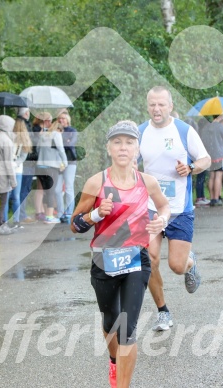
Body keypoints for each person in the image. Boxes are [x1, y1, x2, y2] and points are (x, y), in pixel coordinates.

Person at [70, 120, 170, 388]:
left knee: (127, 329)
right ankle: (114, 362)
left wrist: (162, 221)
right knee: (110, 320)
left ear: (137, 148)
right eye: (117, 142)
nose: (123, 147)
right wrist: (95, 214)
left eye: (129, 143)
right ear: (109, 148)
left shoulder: (147, 182)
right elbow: (75, 224)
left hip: (137, 259)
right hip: (103, 261)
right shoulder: (96, 182)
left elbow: (164, 207)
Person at [138, 86, 211, 331]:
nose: (156, 109)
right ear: (147, 106)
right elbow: (126, 163)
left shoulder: (183, 130)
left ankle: (190, 263)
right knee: (149, 258)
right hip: (151, 207)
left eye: (161, 104)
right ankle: (163, 312)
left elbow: (205, 159)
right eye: (152, 105)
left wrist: (191, 168)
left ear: (170, 106)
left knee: (176, 266)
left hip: (179, 208)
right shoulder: (140, 132)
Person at [0, 115, 17, 236]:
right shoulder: (6, 141)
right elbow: (8, 163)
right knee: (3, 200)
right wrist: (13, 180)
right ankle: (0, 224)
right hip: (2, 173)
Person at [36, 118, 68, 224]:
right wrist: (65, 162)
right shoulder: (56, 135)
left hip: (40, 166)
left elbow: (37, 149)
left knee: (45, 191)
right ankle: (49, 217)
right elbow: (61, 149)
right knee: (51, 191)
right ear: (59, 129)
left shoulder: (43, 135)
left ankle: (46, 214)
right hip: (51, 167)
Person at [199, 115, 223, 206]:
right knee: (218, 176)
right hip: (219, 155)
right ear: (219, 116)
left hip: (209, 155)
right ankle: (216, 198)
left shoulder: (206, 127)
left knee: (211, 176)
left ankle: (211, 197)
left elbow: (203, 140)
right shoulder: (220, 126)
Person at [9, 115, 32, 228]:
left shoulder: (9, 136)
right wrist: (16, 163)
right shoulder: (24, 138)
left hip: (10, 168)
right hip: (18, 168)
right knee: (16, 196)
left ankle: (5, 219)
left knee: (8, 195)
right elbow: (23, 156)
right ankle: (16, 219)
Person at [56, 111, 78, 223]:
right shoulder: (55, 130)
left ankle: (69, 212)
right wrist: (65, 140)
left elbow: (71, 143)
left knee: (69, 188)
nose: (61, 120)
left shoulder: (72, 131)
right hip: (57, 163)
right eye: (60, 118)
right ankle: (60, 213)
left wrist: (61, 140)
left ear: (67, 119)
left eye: (63, 118)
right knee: (57, 189)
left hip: (70, 162)